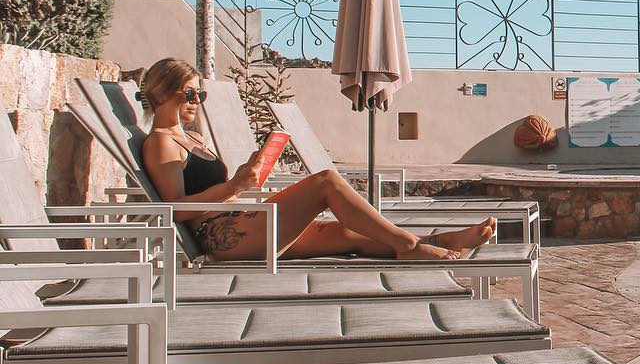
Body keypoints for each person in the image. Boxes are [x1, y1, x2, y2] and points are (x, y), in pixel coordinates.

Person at [140, 57, 494, 262]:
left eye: (200, 92)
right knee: (326, 181)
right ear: (162, 91)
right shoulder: (161, 143)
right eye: (190, 92)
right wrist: (234, 185)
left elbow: (218, 191)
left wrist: (246, 179)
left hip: (241, 219)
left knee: (347, 232)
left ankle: (443, 241)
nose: (197, 99)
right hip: (221, 235)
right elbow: (174, 209)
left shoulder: (194, 137)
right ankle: (410, 247)